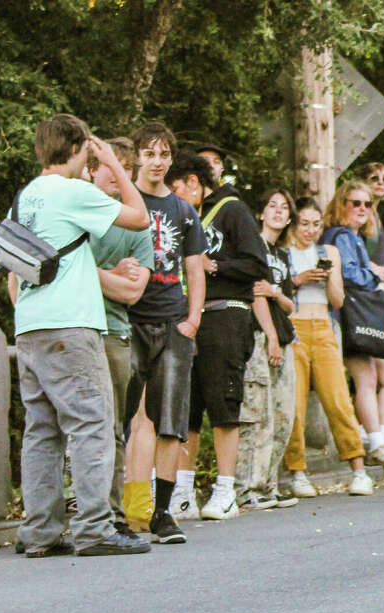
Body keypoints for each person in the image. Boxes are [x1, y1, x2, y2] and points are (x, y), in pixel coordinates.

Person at [7, 114, 151, 557]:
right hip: (71, 323)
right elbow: (140, 217)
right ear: (75, 150)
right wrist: (116, 163)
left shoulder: (25, 196)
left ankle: (40, 532)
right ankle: (94, 528)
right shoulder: (72, 192)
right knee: (91, 425)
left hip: (30, 324)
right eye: (88, 152)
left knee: (42, 431)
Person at [167, 151, 271, 521]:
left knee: (224, 402)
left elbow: (259, 264)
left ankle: (225, 489)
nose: (175, 197)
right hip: (191, 316)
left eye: (177, 188)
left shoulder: (232, 209)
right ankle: (183, 488)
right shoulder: (182, 217)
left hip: (228, 313)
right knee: (188, 407)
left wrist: (217, 266)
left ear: (194, 182)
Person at [127, 121, 207, 541]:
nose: (156, 162)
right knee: (127, 415)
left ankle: (162, 511)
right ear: (137, 155)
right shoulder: (125, 201)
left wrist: (193, 318)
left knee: (171, 418)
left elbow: (194, 266)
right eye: (149, 153)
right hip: (131, 317)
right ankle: (125, 506)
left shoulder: (183, 209)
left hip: (173, 316)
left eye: (163, 155)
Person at [322, 181, 384, 468]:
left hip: (363, 314)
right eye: (356, 203)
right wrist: (373, 274)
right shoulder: (340, 235)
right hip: (351, 315)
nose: (362, 209)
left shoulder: (353, 236)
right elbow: (348, 275)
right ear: (342, 204)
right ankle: (377, 441)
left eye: (367, 204)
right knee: (367, 380)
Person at [282, 198, 373, 498]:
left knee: (337, 398)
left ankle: (358, 469)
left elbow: (338, 301)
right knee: (294, 404)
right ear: (294, 224)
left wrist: (328, 276)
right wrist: (299, 279)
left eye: (316, 224)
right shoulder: (284, 253)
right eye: (304, 224)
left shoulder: (328, 251)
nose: (310, 230)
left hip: (323, 325)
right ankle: (297, 471)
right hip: (294, 326)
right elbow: (279, 291)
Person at [88, 137, 151, 538]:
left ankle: (109, 514)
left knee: (111, 426)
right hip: (72, 327)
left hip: (114, 333)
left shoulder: (136, 230)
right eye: (110, 164)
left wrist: (83, 272)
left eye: (125, 166)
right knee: (63, 426)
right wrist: (110, 272)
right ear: (92, 168)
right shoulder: (75, 209)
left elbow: (132, 292)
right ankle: (71, 507)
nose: (117, 173)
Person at [235, 189, 299, 510]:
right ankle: (247, 488)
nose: (277, 211)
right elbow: (254, 294)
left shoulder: (283, 255)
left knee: (283, 416)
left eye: (283, 207)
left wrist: (276, 291)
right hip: (259, 336)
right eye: (271, 205)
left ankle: (268, 484)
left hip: (285, 337)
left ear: (289, 218)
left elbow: (288, 303)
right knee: (257, 414)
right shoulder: (253, 246)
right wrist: (271, 336)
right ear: (260, 213)